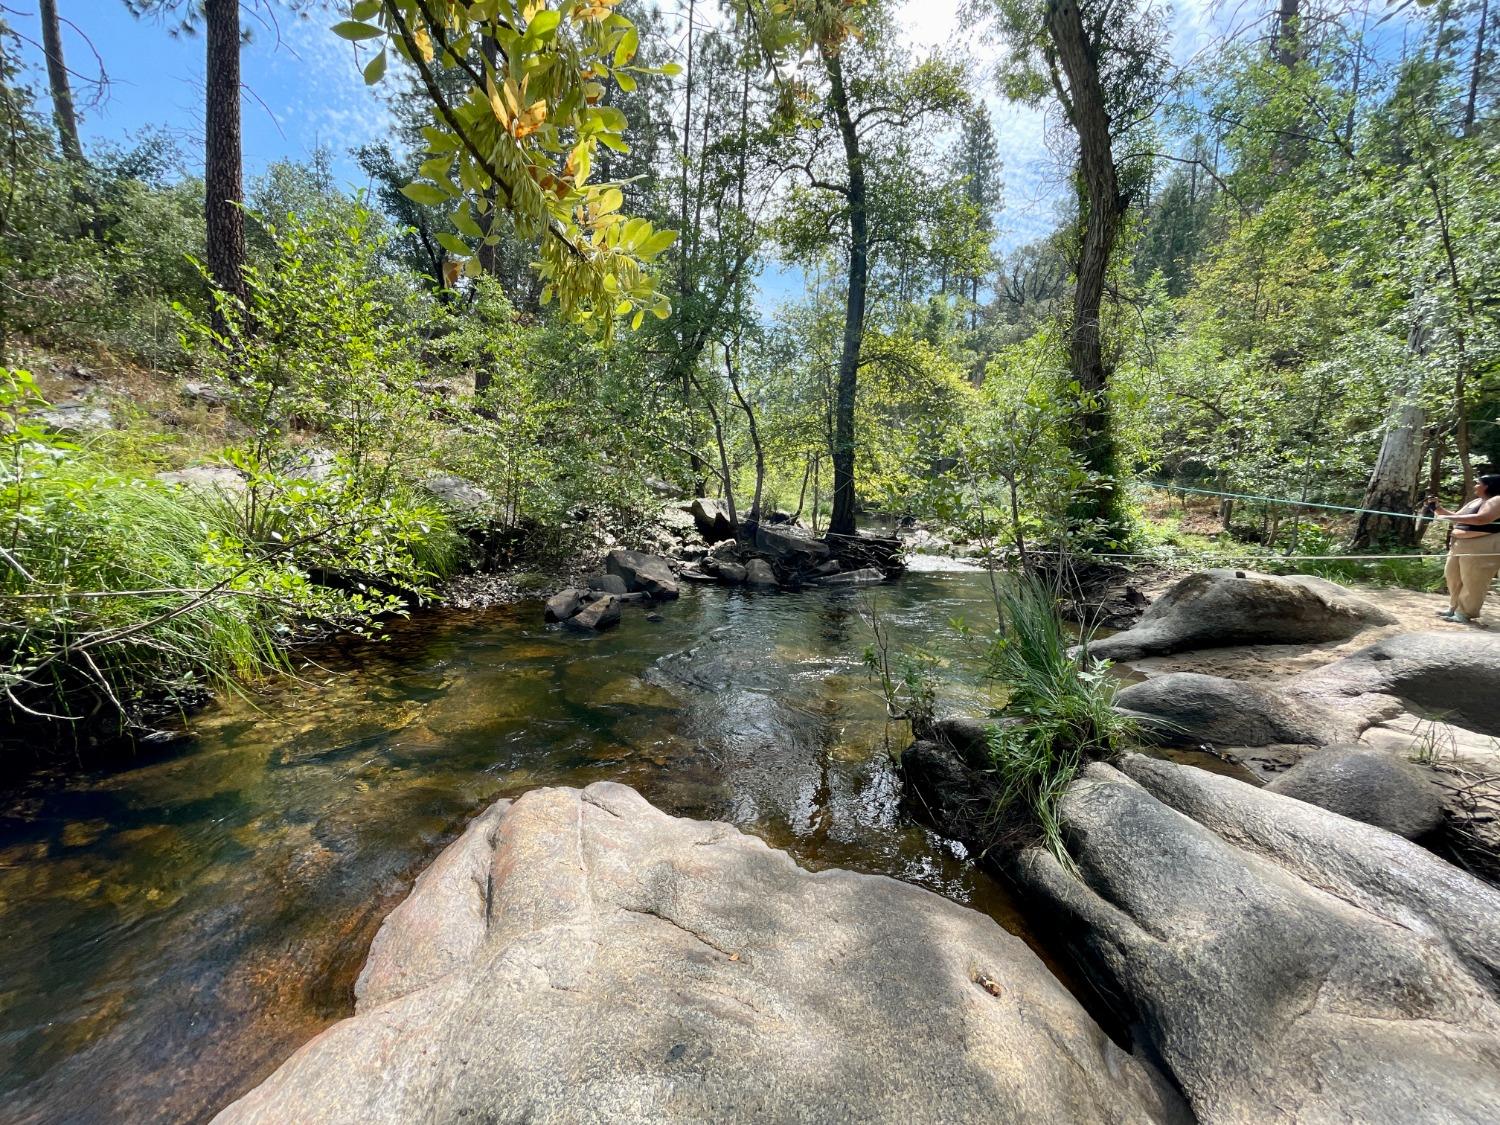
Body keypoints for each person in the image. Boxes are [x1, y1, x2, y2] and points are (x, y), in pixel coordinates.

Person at [1430, 473, 1500, 623]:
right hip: (1460, 544)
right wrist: (1437, 508)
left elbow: (1483, 519)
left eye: (1478, 483)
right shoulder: (1475, 501)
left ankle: (1466, 613)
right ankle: (1454, 607)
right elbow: (1454, 516)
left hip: (1483, 545)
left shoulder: (1497, 500)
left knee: (1474, 580)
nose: (1475, 486)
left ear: (1487, 486)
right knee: (1452, 576)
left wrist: (1450, 518)